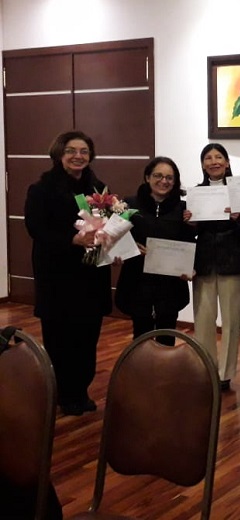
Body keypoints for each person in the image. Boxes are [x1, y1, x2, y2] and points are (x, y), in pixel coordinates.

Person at [24, 131, 112, 416]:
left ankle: (81, 390)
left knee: (87, 337)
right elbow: (36, 229)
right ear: (59, 154)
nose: (78, 156)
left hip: (90, 276)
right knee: (60, 337)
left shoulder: (98, 189)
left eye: (84, 151)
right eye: (71, 151)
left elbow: (108, 226)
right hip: (58, 277)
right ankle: (63, 393)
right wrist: (72, 239)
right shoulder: (41, 189)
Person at [190, 143, 240, 390]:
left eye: (219, 157)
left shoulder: (239, 191)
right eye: (208, 158)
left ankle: (225, 375)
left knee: (231, 321)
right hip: (203, 262)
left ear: (227, 162)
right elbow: (191, 232)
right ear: (203, 164)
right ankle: (206, 369)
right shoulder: (196, 193)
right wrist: (189, 223)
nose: (214, 161)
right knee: (203, 321)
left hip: (233, 261)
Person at [115, 157, 195, 346]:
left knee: (167, 336)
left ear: (175, 181)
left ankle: (164, 366)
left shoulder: (184, 210)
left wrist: (190, 268)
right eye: (158, 175)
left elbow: (189, 242)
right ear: (147, 177)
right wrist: (129, 248)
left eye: (169, 177)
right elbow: (116, 238)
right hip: (137, 282)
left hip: (170, 286)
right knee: (140, 337)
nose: (163, 181)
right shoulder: (129, 205)